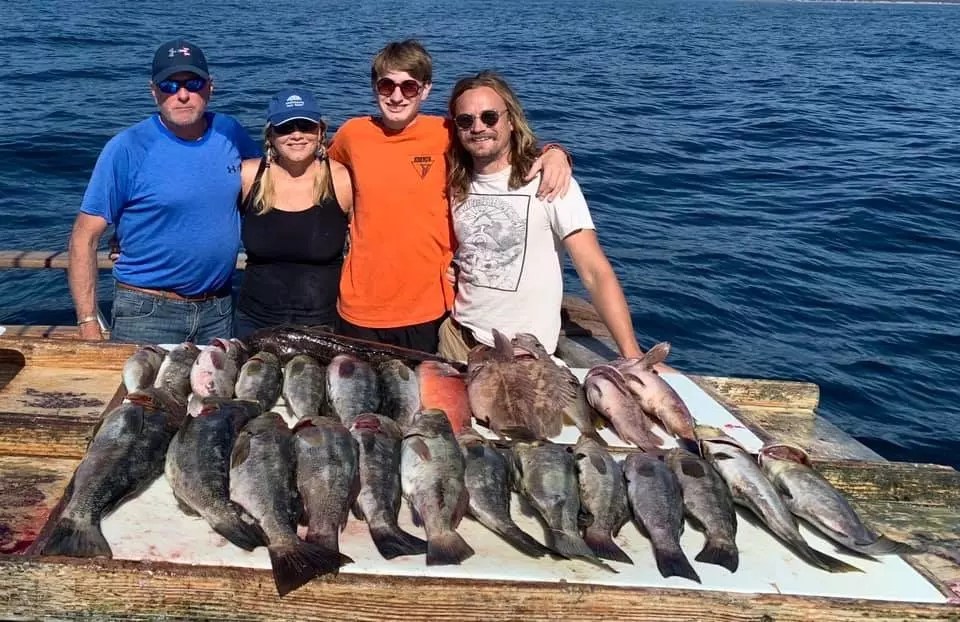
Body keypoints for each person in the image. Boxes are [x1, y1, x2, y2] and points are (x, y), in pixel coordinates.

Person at [327, 40, 572, 354]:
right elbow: (319, 168)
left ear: (426, 89)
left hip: (429, 306)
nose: (397, 96)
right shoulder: (352, 134)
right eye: (387, 85)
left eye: (409, 87)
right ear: (375, 87)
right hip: (359, 305)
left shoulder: (449, 132)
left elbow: (502, 149)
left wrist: (555, 153)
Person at [438, 71, 642, 361]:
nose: (478, 127)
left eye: (489, 117)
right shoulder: (456, 182)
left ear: (511, 120)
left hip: (526, 355)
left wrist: (632, 355)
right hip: (457, 339)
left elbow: (595, 273)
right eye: (466, 120)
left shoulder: (549, 181)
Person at [67, 39, 259, 344]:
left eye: (193, 83)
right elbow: (84, 236)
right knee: (137, 394)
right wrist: (89, 322)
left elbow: (273, 176)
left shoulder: (230, 131)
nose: (182, 95)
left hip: (219, 310)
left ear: (211, 87)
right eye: (170, 85)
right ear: (154, 91)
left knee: (214, 395)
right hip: (147, 312)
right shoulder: (126, 147)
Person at [234, 88, 353, 338]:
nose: (297, 135)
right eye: (286, 128)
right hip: (254, 323)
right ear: (270, 135)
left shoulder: (342, 179)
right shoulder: (247, 176)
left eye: (305, 126)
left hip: (323, 327)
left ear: (321, 131)